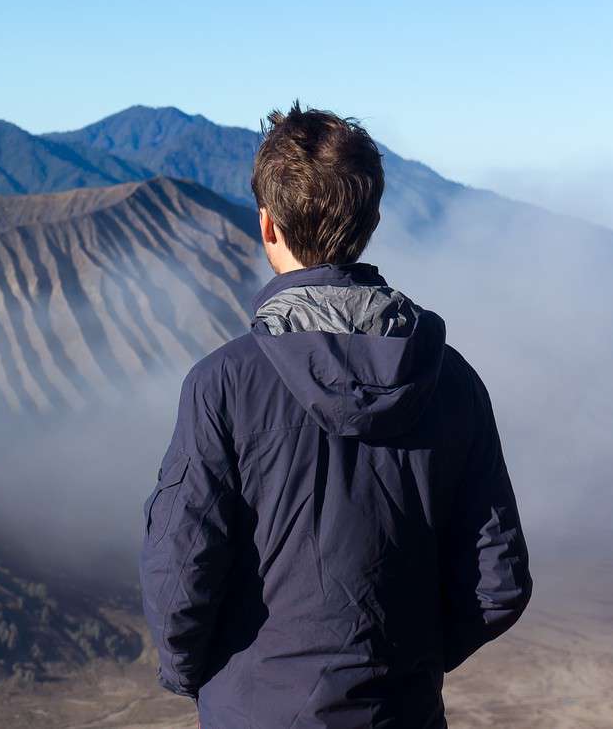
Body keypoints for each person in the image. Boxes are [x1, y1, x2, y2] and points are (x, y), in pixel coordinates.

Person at [139, 103, 532, 728]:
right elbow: (499, 580)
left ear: (268, 225)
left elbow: (180, 576)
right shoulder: (451, 382)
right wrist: (405, 665)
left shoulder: (222, 385)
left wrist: (219, 684)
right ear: (371, 220)